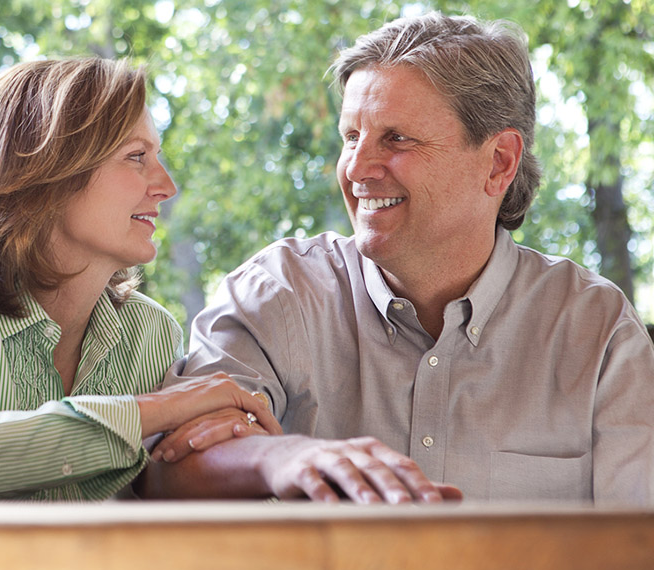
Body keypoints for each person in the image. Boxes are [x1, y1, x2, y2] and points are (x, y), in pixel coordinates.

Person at [141, 12, 654, 506]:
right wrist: (283, 455)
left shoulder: (597, 330)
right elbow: (169, 471)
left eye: (397, 139)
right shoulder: (278, 295)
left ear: (499, 162)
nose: (357, 168)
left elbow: (638, 558)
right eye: (351, 137)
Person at [0, 57, 279, 504]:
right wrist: (161, 409)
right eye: (136, 157)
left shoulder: (147, 332)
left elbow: (163, 487)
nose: (166, 185)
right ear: (45, 171)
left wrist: (237, 440)